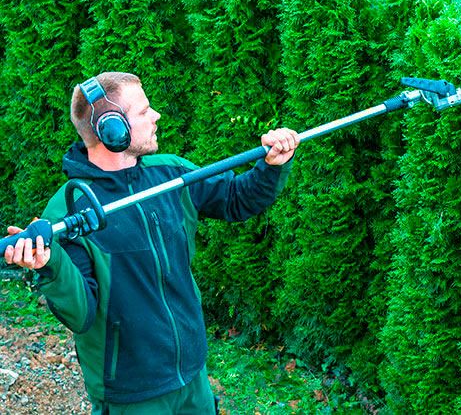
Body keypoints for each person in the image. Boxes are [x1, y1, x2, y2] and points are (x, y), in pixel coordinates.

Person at [3, 72, 298, 414]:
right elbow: (81, 313)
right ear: (112, 130)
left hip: (192, 376)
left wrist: (272, 166)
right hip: (132, 392)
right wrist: (50, 265)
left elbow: (236, 199)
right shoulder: (68, 212)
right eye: (144, 112)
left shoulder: (170, 174)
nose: (156, 115)